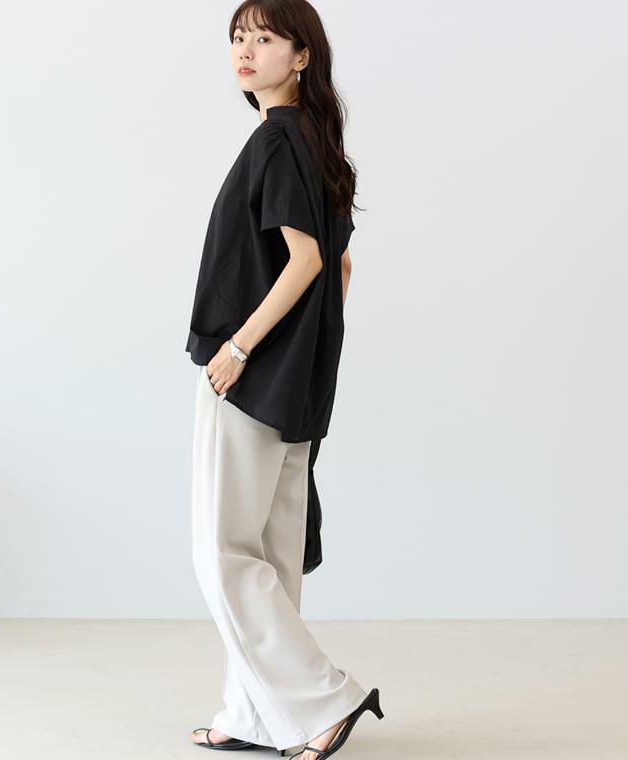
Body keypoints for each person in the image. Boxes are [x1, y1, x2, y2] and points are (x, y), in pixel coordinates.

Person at [185, 1, 383, 758]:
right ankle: (257, 715)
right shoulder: (315, 142)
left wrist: (240, 348)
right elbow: (341, 268)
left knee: (224, 553)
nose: (246, 49)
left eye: (264, 38)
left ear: (302, 56)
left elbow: (307, 261)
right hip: (294, 381)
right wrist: (310, 350)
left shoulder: (276, 140)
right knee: (268, 553)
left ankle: (325, 698)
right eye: (239, 37)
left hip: (250, 373)